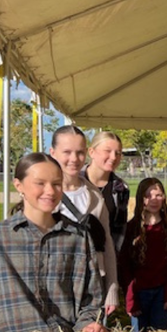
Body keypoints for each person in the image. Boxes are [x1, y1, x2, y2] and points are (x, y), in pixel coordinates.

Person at [0, 153, 109, 332]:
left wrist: (89, 325)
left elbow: (91, 300)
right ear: (18, 185)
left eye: (57, 184)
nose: (50, 191)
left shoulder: (79, 237)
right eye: (40, 183)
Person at [49, 124, 119, 316]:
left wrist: (111, 290)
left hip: (92, 289)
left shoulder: (95, 197)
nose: (74, 159)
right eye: (67, 152)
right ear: (53, 152)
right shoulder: (41, 195)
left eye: (79, 152)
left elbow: (107, 244)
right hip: (52, 289)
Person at [118, 178, 167, 332]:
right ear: (141, 199)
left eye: (158, 195)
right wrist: (130, 299)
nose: (154, 200)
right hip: (139, 293)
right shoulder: (131, 228)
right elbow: (124, 265)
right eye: (148, 196)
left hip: (162, 293)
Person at [84, 131, 130, 254]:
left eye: (118, 153)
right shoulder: (74, 181)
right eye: (107, 151)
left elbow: (119, 230)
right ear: (91, 152)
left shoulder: (121, 188)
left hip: (103, 257)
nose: (114, 157)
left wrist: (112, 258)